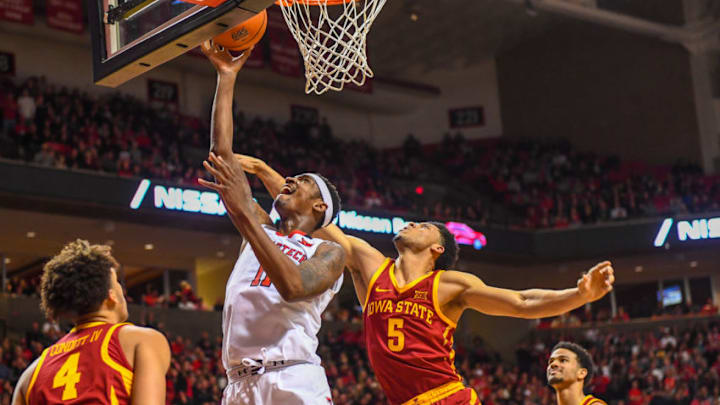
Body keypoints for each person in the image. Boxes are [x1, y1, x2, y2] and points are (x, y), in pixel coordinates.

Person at [236, 154, 616, 405]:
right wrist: (266, 173)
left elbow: (521, 302)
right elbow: (314, 217)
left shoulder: (449, 284)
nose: (412, 223)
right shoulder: (372, 266)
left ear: (437, 249)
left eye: (423, 226)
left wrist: (579, 294)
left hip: (447, 397)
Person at [197, 41, 346, 404]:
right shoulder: (260, 229)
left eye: (303, 181)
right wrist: (226, 76)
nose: (290, 180)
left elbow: (294, 286)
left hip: (293, 377)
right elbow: (222, 159)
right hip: (238, 384)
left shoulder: (328, 251)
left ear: (318, 207)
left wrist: (246, 218)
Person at [12, 239, 170, 405]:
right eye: (117, 282)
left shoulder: (30, 375)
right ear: (112, 295)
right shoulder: (143, 341)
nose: (122, 290)